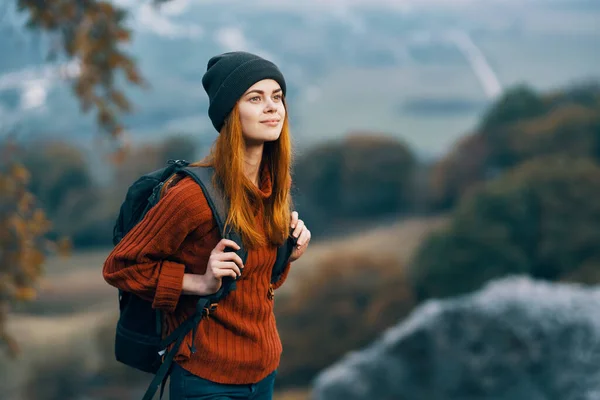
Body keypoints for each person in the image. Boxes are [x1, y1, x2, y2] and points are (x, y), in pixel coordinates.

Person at [102, 51, 311, 400]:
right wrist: (199, 282)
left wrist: (288, 254)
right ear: (230, 112)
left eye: (277, 97)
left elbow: (257, 284)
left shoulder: (274, 186)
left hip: (263, 373)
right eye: (255, 98)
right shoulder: (192, 196)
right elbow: (121, 267)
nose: (272, 107)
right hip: (206, 378)